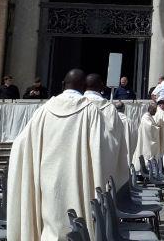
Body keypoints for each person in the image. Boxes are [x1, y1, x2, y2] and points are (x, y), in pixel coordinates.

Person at [7, 69, 125, 240]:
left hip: (47, 179)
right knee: (79, 221)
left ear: (62, 85)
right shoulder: (91, 111)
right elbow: (107, 147)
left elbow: (20, 144)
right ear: (83, 87)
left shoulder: (44, 111)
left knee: (51, 221)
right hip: (78, 180)